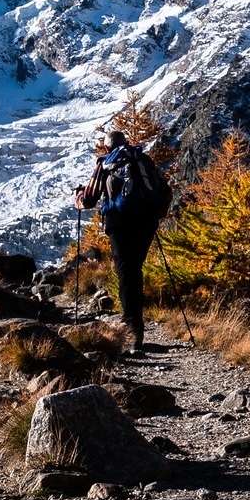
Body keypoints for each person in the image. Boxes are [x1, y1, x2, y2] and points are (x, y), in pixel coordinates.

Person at [76, 129, 161, 352]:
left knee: (125, 271)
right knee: (135, 269)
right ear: (126, 143)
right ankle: (135, 324)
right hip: (147, 221)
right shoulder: (142, 158)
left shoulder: (105, 163)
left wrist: (78, 198)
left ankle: (132, 328)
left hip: (120, 222)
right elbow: (160, 188)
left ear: (106, 147)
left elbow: (89, 198)